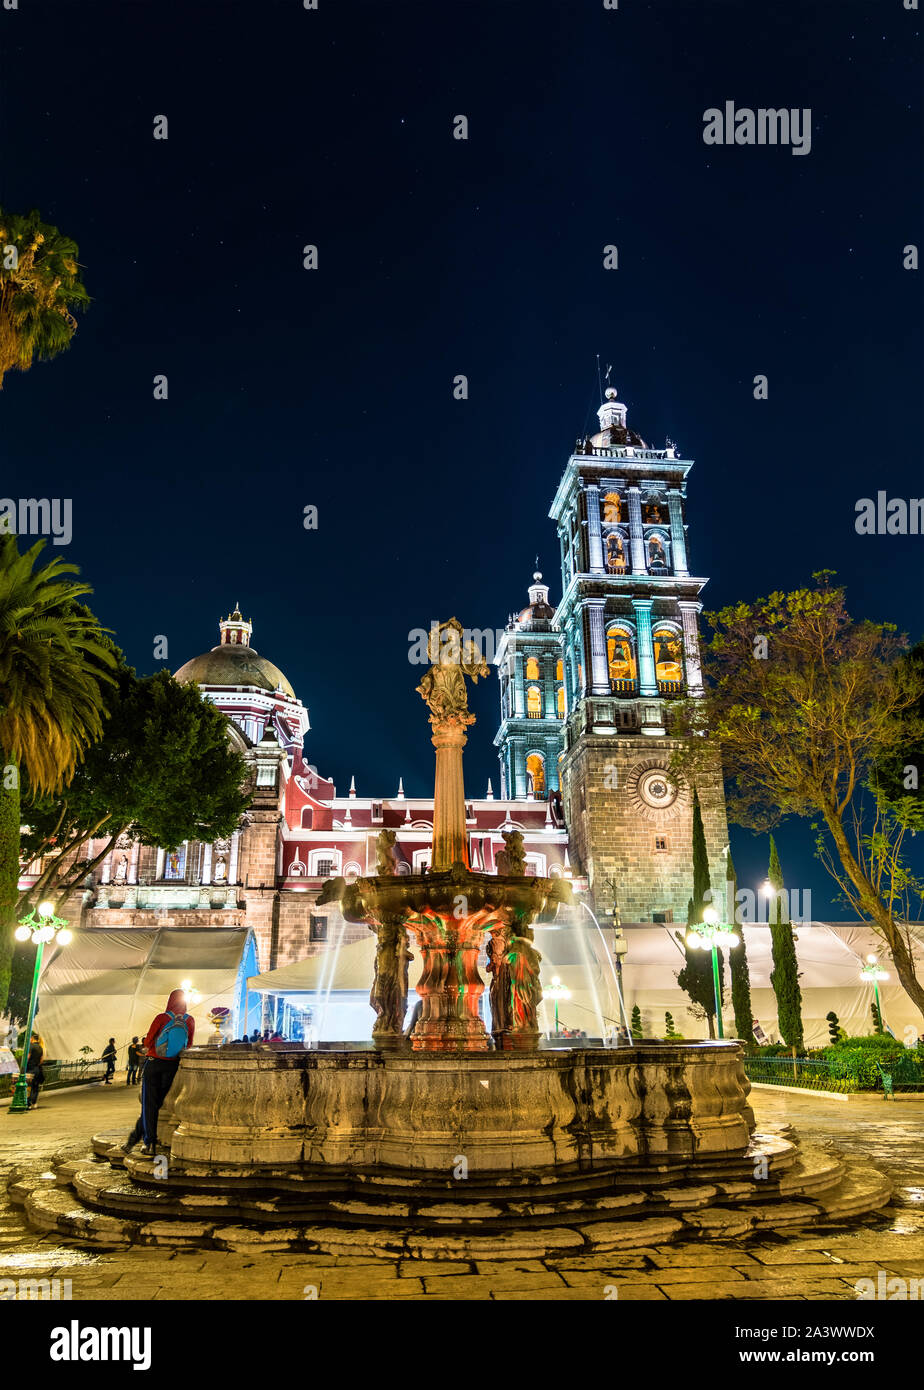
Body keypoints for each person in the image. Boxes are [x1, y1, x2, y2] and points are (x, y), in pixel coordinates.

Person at [123, 989, 194, 1156]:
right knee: (154, 1106)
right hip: (172, 1067)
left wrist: (152, 1044)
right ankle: (132, 1141)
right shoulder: (189, 1020)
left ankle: (150, 1144)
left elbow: (147, 1042)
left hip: (154, 1065)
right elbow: (189, 1043)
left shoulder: (162, 1018)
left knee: (149, 1106)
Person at [26, 1030, 45, 1109]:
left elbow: (28, 1057)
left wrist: (24, 1065)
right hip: (37, 1069)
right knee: (35, 1086)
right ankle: (34, 1103)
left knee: (28, 1087)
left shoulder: (31, 1046)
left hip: (30, 1069)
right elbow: (41, 1060)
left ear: (32, 1038)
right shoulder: (41, 1047)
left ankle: (29, 1104)